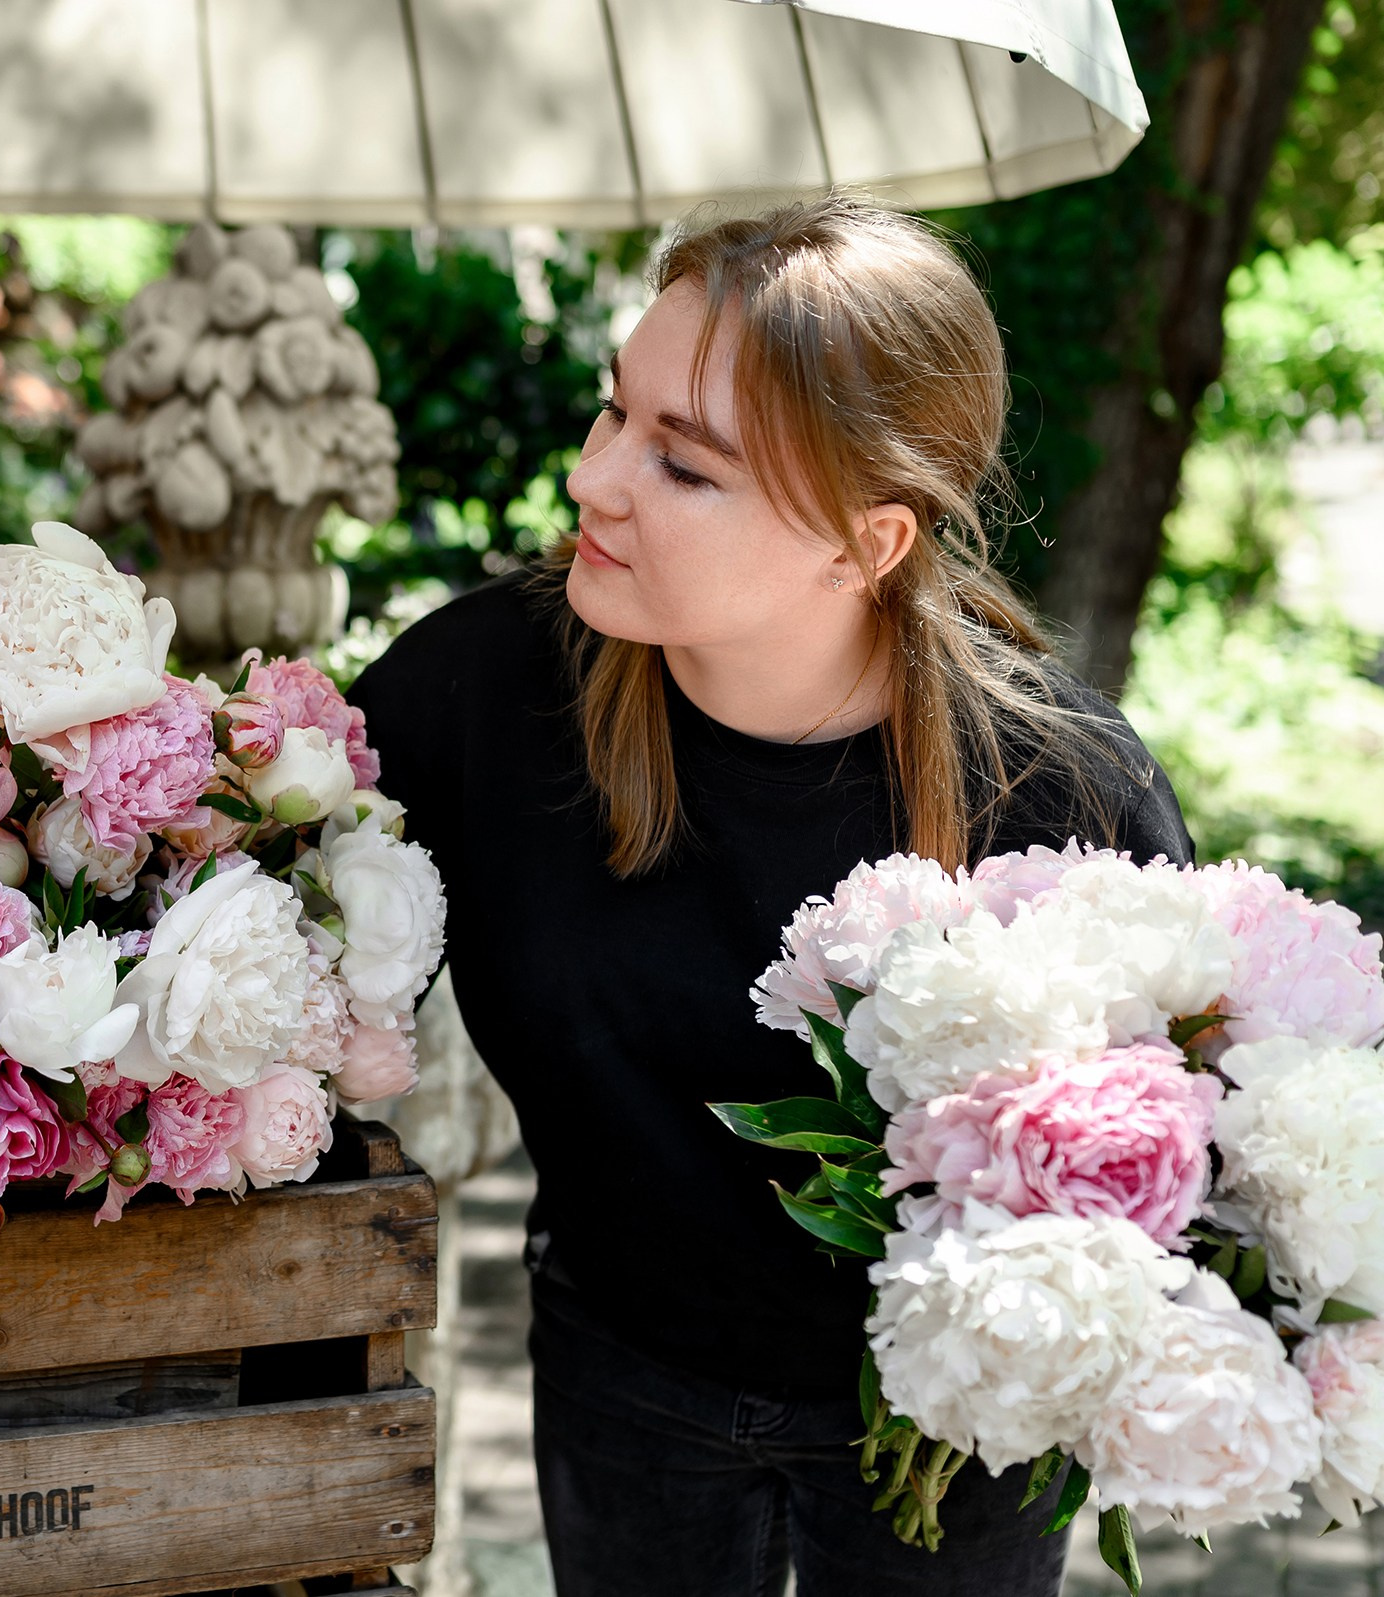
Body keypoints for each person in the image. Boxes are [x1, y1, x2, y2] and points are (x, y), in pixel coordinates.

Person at [347, 194, 1190, 1597]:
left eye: (684, 465)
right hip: (624, 1379)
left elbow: (1182, 1159)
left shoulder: (1058, 796)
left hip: (948, 1437)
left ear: (870, 541)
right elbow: (260, 923)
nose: (594, 480)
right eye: (614, 413)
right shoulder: (483, 692)